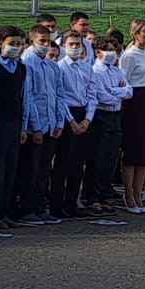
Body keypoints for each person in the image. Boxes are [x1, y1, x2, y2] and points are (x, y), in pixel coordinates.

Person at [16, 25, 66, 225]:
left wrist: (60, 121)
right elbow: (29, 97)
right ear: (32, 41)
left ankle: (39, 206)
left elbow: (59, 95)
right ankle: (27, 208)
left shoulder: (52, 66)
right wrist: (35, 127)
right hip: (35, 126)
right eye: (41, 41)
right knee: (31, 170)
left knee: (44, 170)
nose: (45, 45)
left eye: (48, 41)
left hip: (51, 124)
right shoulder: (27, 63)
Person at [0, 26, 31, 230]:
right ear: (1, 43)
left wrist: (24, 126)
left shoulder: (21, 68)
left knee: (11, 169)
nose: (16, 48)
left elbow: (24, 97)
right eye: (12, 44)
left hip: (15, 122)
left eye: (19, 44)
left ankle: (5, 211)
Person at [50, 31, 97, 218]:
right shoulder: (60, 67)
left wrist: (87, 119)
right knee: (63, 162)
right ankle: (56, 205)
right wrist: (71, 121)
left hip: (83, 114)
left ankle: (71, 203)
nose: (75, 48)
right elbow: (60, 97)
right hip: (67, 115)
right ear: (64, 46)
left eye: (78, 44)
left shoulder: (87, 68)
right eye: (72, 44)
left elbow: (92, 93)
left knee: (78, 163)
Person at [86, 37, 131, 215]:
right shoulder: (95, 71)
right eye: (109, 50)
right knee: (98, 156)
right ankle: (93, 196)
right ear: (98, 52)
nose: (112, 54)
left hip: (115, 115)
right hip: (101, 115)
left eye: (114, 50)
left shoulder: (117, 71)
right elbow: (101, 96)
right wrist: (117, 92)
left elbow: (129, 91)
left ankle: (105, 192)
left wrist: (113, 91)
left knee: (111, 157)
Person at [119, 19, 145, 213]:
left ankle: (139, 193)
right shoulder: (129, 55)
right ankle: (129, 194)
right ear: (135, 34)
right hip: (134, 100)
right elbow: (123, 80)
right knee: (133, 148)